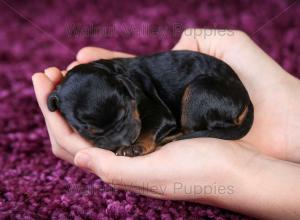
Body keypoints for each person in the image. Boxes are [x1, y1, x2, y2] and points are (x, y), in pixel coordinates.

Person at [32, 29, 300, 219]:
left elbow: (163, 117)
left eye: (124, 114)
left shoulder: (131, 81)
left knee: (190, 104)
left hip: (216, 93)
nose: (124, 136)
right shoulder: (70, 97)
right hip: (218, 98)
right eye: (94, 129)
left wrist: (145, 142)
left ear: (127, 89)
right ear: (55, 105)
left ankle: (195, 129)